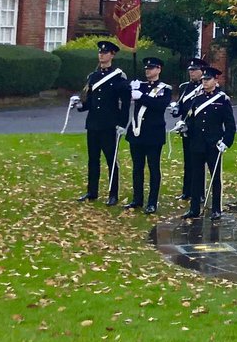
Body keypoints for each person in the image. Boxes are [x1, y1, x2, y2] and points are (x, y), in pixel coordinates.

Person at [71, 40, 131, 205]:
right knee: (93, 159)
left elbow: (125, 103)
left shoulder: (119, 77)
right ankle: (92, 191)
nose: (101, 55)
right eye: (100, 52)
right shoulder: (93, 76)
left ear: (112, 55)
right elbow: (89, 101)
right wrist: (80, 105)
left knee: (111, 159)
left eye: (105, 53)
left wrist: (122, 124)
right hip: (93, 122)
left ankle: (113, 194)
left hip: (110, 123)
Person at [178, 65, 236, 220]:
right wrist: (185, 127)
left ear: (215, 81)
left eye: (208, 79)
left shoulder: (222, 100)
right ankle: (194, 208)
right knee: (196, 177)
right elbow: (191, 119)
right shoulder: (197, 99)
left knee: (215, 177)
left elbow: (230, 125)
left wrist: (226, 142)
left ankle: (217, 209)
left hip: (213, 143)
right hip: (197, 143)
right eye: (203, 79)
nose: (204, 82)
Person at [125, 57, 173, 213]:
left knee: (153, 168)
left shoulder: (165, 89)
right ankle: (137, 199)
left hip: (153, 133)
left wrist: (141, 96)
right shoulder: (140, 86)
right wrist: (130, 91)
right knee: (137, 168)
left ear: (159, 70)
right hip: (137, 132)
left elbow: (159, 106)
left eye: (151, 68)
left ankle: (152, 202)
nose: (148, 71)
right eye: (146, 68)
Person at [170, 57, 207, 202]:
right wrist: (176, 110)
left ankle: (200, 192)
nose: (191, 73)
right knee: (188, 162)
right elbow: (182, 105)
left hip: (199, 129)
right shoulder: (185, 87)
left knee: (199, 163)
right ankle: (187, 191)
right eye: (190, 70)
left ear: (202, 71)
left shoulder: (204, 88)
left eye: (194, 70)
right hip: (186, 129)